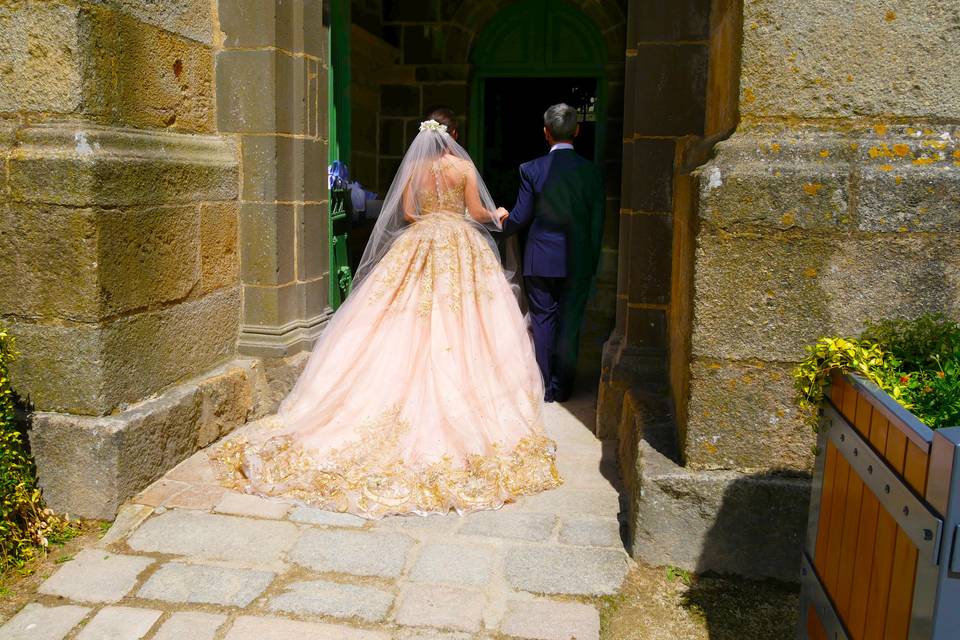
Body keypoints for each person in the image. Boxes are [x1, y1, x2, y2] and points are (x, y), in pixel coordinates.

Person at [211, 119, 561, 519]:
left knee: (398, 312)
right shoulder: (463, 170)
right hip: (459, 245)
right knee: (467, 318)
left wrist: (430, 221)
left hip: (419, 243)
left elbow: (409, 213)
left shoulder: (413, 171)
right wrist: (492, 213)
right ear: (453, 140)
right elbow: (478, 211)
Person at [500, 104, 605, 403]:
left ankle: (545, 386)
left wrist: (495, 224)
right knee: (570, 323)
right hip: (578, 260)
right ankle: (565, 387)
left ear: (545, 133)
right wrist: (592, 262)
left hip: (540, 259)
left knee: (543, 320)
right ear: (577, 131)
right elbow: (598, 224)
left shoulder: (531, 169)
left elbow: (519, 218)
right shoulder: (592, 172)